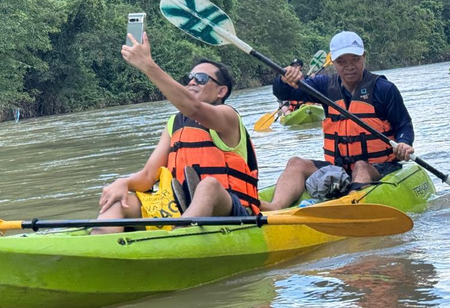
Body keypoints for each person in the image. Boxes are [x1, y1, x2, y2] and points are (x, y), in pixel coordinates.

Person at [92, 32, 260, 234]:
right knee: (120, 199)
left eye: (201, 78)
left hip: (233, 210)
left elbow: (194, 108)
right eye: (190, 78)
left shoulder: (228, 117)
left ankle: (178, 237)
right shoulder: (175, 123)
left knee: (209, 186)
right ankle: (100, 243)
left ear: (221, 91)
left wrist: (147, 65)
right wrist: (122, 183)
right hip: (181, 208)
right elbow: (147, 176)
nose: (192, 82)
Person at [261, 30, 415, 211]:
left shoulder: (384, 89)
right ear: (333, 62)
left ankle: (350, 208)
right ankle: (274, 207)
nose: (349, 66)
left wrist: (404, 143)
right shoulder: (324, 86)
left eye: (355, 60)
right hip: (339, 167)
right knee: (296, 163)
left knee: (361, 167)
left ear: (364, 57)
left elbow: (404, 125)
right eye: (342, 61)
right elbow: (285, 93)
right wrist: (283, 79)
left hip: (379, 166)